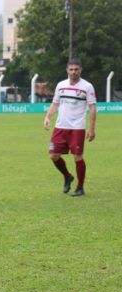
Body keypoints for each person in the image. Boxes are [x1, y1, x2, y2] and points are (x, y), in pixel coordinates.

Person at [43, 59, 97, 196]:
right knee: (53, 155)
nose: (73, 72)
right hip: (60, 126)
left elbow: (92, 108)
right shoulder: (61, 85)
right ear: (67, 70)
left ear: (81, 70)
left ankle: (80, 187)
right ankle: (67, 176)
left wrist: (92, 129)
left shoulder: (87, 86)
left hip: (77, 128)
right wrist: (48, 117)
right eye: (71, 69)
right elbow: (55, 103)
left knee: (78, 157)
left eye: (76, 69)